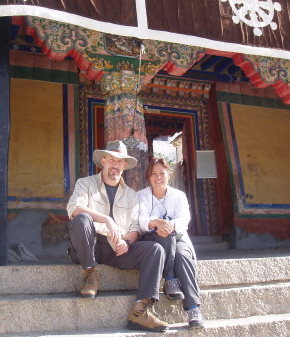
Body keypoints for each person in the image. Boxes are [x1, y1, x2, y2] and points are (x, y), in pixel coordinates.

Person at [66, 140, 169, 332]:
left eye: (120, 161)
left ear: (125, 165)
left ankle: (140, 312)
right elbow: (74, 209)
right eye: (111, 159)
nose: (115, 164)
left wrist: (127, 243)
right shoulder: (85, 183)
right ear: (103, 161)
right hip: (89, 244)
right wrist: (106, 220)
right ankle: (90, 272)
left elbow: (135, 227)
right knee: (81, 221)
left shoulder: (131, 195)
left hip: (114, 249)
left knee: (155, 249)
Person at [137, 157, 205, 330]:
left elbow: (184, 219)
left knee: (183, 255)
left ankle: (193, 309)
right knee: (163, 235)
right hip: (152, 238)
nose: (158, 177)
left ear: (169, 175)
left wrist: (168, 225)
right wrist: (157, 223)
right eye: (153, 174)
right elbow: (142, 219)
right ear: (148, 177)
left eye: (162, 173)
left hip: (178, 236)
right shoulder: (141, 195)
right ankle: (169, 278)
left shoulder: (178, 196)